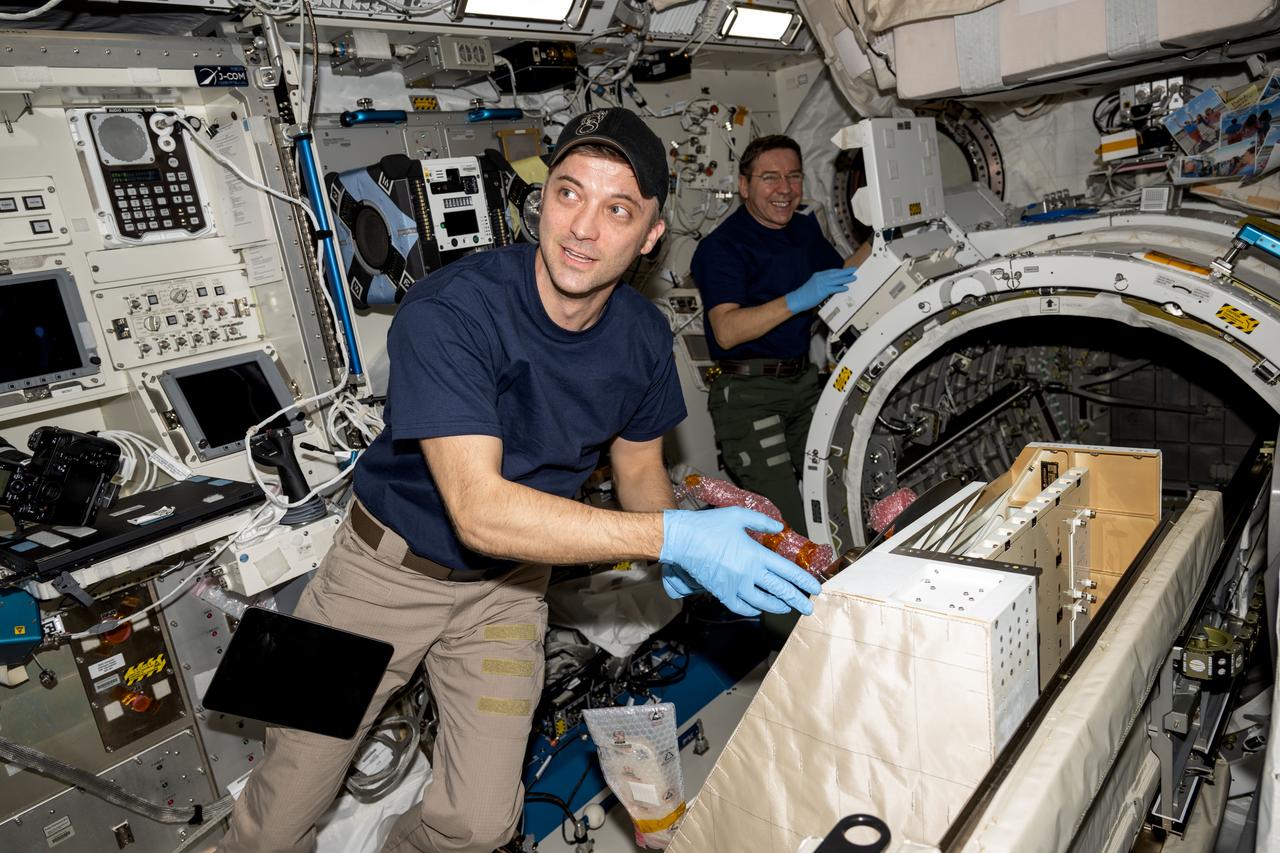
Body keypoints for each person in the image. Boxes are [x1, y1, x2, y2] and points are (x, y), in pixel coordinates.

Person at [216, 108, 822, 853]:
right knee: (281, 810)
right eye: (568, 194)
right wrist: (676, 534)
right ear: (543, 201)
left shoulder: (640, 336)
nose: (583, 227)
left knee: (478, 826)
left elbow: (639, 474)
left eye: (618, 208)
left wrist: (681, 562)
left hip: (508, 589)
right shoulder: (447, 311)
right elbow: (479, 511)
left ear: (652, 235)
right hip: (376, 576)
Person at [690, 134, 867, 530]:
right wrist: (800, 297)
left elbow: (843, 276)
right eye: (770, 178)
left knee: (845, 486)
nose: (785, 189)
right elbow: (726, 330)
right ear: (744, 185)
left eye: (793, 176)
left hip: (801, 384)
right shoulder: (723, 247)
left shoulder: (802, 231)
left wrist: (884, 239)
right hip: (750, 397)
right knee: (789, 525)